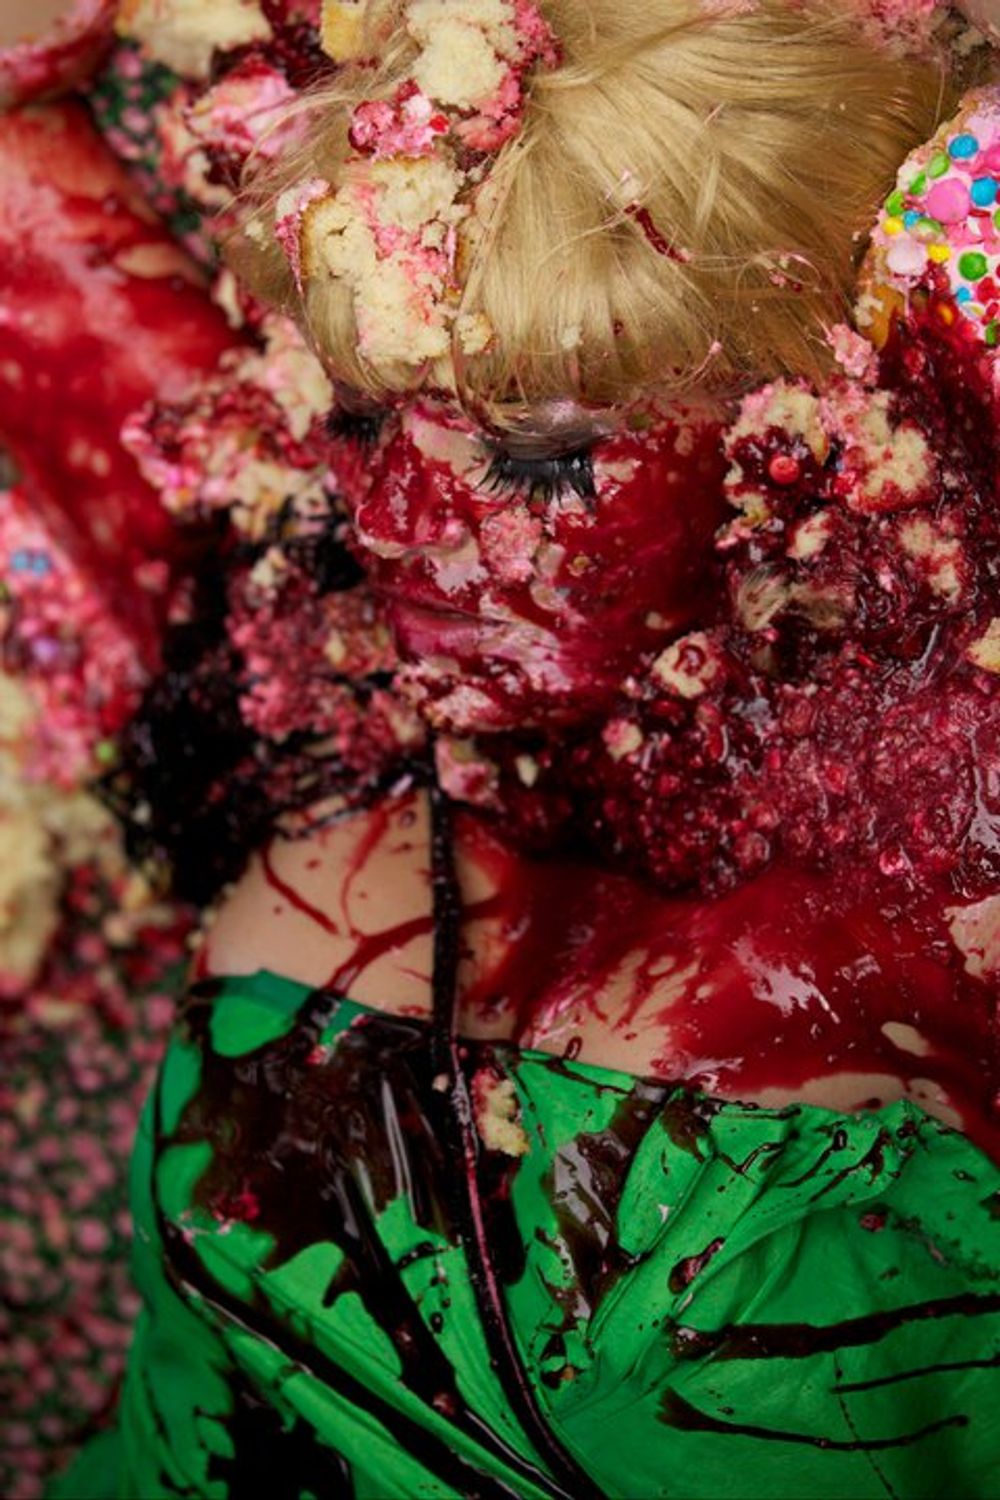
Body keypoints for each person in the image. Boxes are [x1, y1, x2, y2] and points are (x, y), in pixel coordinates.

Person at [55, 1, 1000, 1496]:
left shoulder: (947, 882)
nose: (400, 524)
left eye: (543, 456)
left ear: (807, 435)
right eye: (364, 422)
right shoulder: (327, 696)